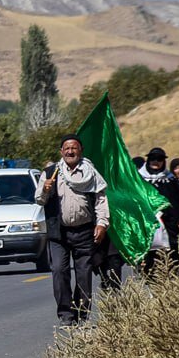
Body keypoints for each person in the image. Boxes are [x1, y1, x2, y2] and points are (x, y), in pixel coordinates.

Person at [35, 134, 109, 325]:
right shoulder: (51, 172)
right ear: (61, 152)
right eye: (66, 148)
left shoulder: (90, 174)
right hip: (59, 233)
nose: (70, 151)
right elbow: (39, 200)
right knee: (60, 271)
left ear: (80, 150)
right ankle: (66, 315)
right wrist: (45, 188)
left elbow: (101, 200)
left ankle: (82, 314)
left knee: (84, 275)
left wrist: (102, 224)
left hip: (85, 231)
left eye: (74, 148)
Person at [138, 147, 179, 273]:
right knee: (150, 252)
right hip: (148, 221)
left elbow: (177, 201)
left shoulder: (169, 179)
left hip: (169, 221)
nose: (156, 162)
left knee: (171, 250)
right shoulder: (140, 179)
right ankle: (149, 277)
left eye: (159, 159)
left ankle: (170, 277)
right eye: (153, 159)